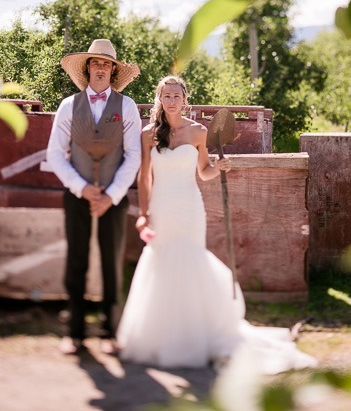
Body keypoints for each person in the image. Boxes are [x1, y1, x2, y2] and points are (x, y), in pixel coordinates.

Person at [116, 75, 317, 374]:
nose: (171, 100)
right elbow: (144, 177)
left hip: (189, 207)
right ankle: (163, 335)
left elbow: (205, 172)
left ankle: (196, 333)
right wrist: (144, 213)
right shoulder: (148, 134)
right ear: (159, 99)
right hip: (161, 207)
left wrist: (219, 167)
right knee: (162, 264)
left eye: (176, 95)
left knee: (190, 261)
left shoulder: (199, 131)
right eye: (166, 95)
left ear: (185, 98)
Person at [47, 39, 142, 355]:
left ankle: (110, 331)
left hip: (113, 199)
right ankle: (74, 332)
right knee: (76, 260)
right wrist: (82, 188)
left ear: (113, 70)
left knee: (112, 262)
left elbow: (133, 156)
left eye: (106, 64)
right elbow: (55, 155)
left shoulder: (126, 106)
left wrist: (111, 194)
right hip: (77, 195)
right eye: (95, 63)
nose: (100, 68)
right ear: (87, 68)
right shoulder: (68, 106)